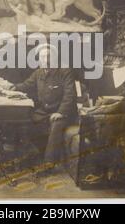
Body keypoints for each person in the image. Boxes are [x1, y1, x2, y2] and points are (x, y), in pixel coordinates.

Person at [9, 44, 77, 174]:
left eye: (49, 56)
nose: (46, 60)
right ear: (39, 59)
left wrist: (61, 112)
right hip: (45, 111)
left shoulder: (65, 71)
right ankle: (36, 156)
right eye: (42, 57)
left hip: (63, 112)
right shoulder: (39, 72)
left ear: (55, 58)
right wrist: (13, 87)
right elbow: (26, 85)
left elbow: (70, 95)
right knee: (28, 122)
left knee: (56, 125)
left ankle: (48, 164)